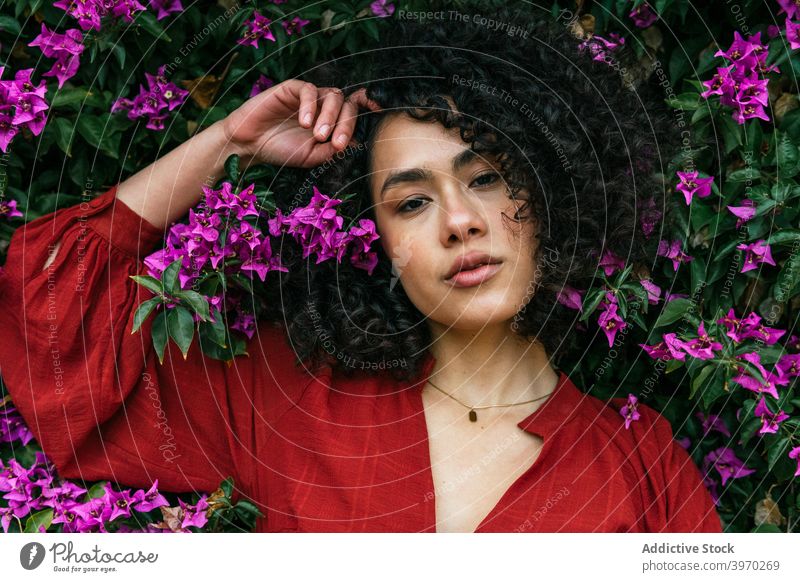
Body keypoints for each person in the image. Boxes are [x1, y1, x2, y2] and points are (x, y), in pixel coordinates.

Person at [0, 7, 722, 532]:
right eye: (410, 202)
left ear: (556, 197)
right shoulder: (288, 396)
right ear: (374, 238)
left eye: (490, 178)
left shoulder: (642, 463)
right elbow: (54, 303)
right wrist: (228, 143)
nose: (458, 221)